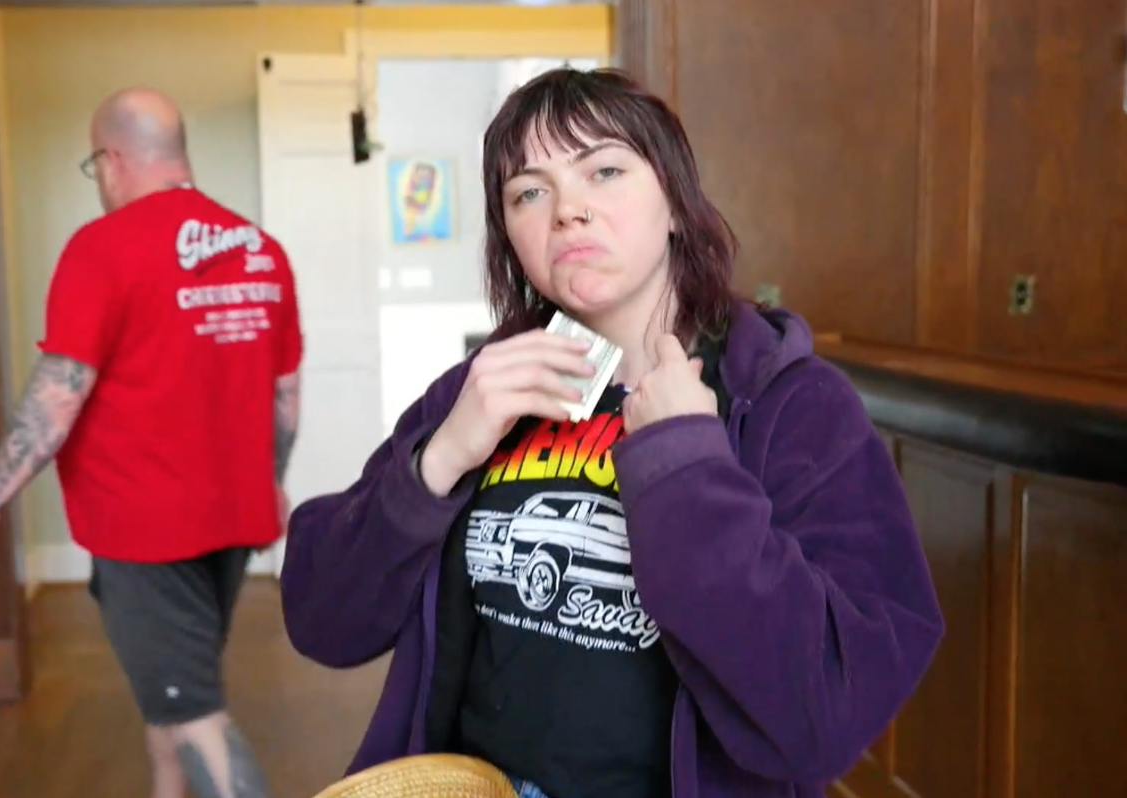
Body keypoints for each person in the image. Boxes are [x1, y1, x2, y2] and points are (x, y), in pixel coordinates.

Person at [278, 68, 943, 798]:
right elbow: (322, 621)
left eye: (604, 171)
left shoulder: (794, 404)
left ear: (676, 204)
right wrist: (439, 460)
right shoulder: (478, 392)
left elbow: (823, 714)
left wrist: (687, 465)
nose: (568, 211)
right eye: (529, 193)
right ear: (511, 239)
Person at [0, 87, 302, 798]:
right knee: (170, 700)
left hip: (146, 531)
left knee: (194, 715)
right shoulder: (260, 251)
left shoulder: (102, 248)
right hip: (233, 520)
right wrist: (271, 481)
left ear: (112, 160)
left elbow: (56, 399)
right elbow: (285, 394)